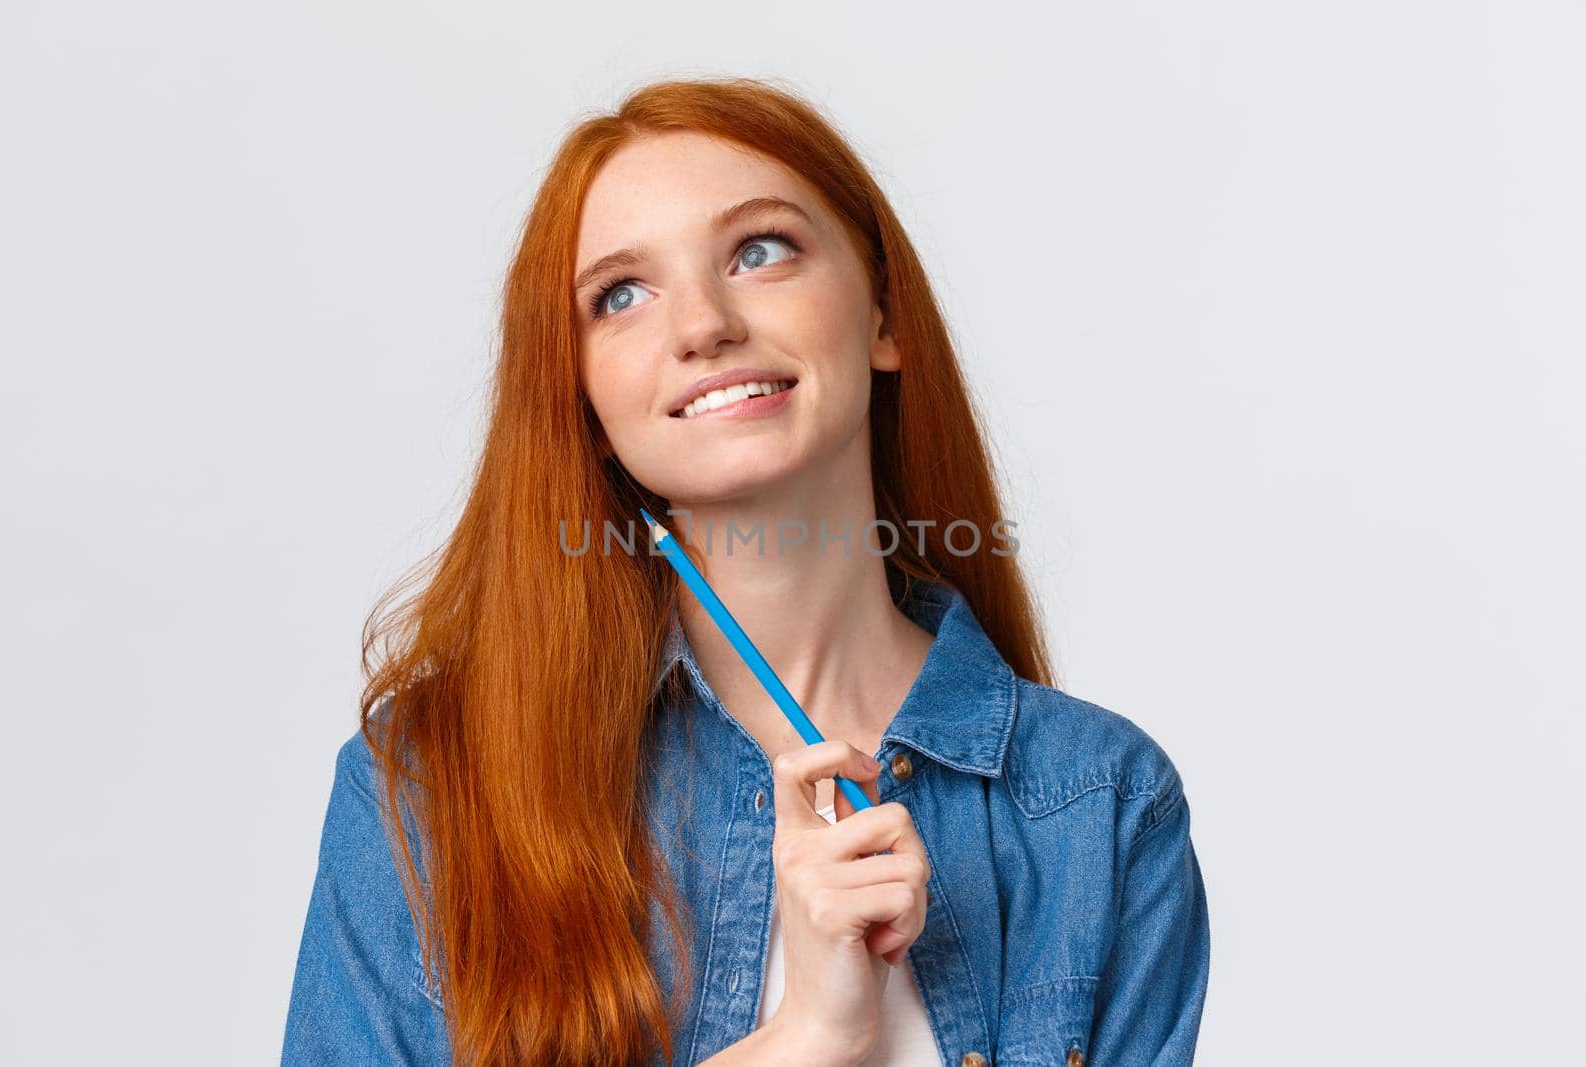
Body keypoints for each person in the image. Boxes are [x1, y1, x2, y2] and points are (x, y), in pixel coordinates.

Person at [280, 76, 1210, 1067]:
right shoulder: (428, 785)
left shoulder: (1096, 802)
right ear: (586, 406)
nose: (703, 325)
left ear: (884, 315)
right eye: (620, 294)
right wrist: (808, 1035)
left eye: (758, 250)